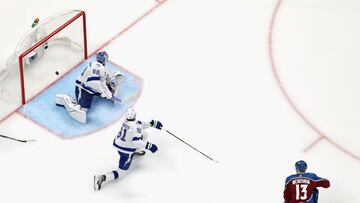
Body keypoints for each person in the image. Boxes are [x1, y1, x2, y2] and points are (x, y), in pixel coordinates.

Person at [94, 108, 163, 191]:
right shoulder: (134, 127)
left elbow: (140, 125)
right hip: (126, 151)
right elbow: (136, 142)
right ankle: (102, 177)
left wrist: (152, 123)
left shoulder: (127, 122)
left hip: (119, 143)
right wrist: (150, 146)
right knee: (122, 173)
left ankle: (136, 152)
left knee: (144, 134)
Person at [55, 51, 124, 123]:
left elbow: (102, 83)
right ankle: (67, 100)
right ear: (104, 60)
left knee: (107, 88)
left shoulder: (100, 68)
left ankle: (112, 83)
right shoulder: (94, 66)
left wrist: (108, 94)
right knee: (83, 110)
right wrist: (104, 93)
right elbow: (94, 83)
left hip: (92, 89)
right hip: (83, 89)